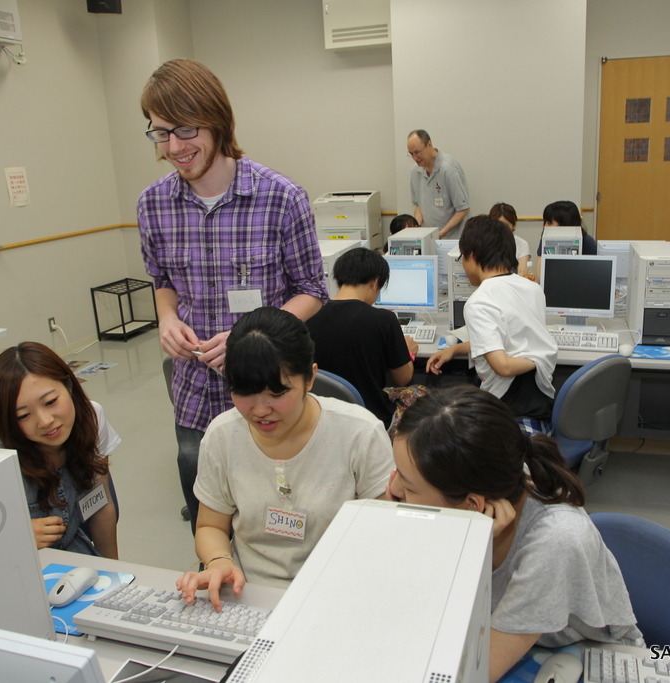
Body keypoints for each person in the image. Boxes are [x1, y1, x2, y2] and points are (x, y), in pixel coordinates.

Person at [137, 59, 328, 533]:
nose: (174, 148)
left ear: (218, 122)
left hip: (268, 391)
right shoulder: (153, 204)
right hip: (194, 394)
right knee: (208, 520)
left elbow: (312, 291)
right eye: (160, 133)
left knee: (279, 518)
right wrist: (166, 318)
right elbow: (162, 280)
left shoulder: (281, 197)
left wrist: (250, 337)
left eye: (185, 130)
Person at [388, 385, 643, 682]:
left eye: (407, 485)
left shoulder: (554, 542)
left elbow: (474, 674)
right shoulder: (493, 478)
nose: (392, 490)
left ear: (473, 504)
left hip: (596, 661)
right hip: (524, 641)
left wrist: (471, 553)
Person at [177, 307, 393, 608]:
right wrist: (219, 561)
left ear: (310, 378)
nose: (260, 410)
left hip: (337, 593)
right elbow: (210, 526)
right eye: (244, 391)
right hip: (247, 593)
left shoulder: (360, 433)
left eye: (277, 394)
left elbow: (384, 533)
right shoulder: (223, 435)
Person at [0, 342, 120, 558]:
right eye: (23, 416)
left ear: (69, 386)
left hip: (75, 551)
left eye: (50, 402)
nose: (45, 421)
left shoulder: (92, 417)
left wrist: (118, 575)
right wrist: (17, 535)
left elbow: (100, 506)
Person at [426, 216, 557, 431]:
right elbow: (511, 340)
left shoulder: (479, 301)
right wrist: (456, 349)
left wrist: (541, 355)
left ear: (473, 256)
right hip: (540, 400)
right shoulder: (532, 289)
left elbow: (503, 366)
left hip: (506, 407)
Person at [306, 248, 418, 425]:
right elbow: (402, 378)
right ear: (375, 282)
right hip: (371, 417)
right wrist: (408, 352)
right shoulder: (383, 320)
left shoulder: (309, 315)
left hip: (323, 416)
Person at [407, 129, 470, 238]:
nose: (415, 158)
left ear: (429, 144)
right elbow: (418, 205)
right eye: (411, 154)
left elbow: (463, 209)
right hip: (431, 238)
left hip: (454, 239)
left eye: (417, 152)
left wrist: (441, 233)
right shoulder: (415, 171)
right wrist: (415, 227)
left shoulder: (448, 169)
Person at [489, 202, 531, 274]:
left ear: (514, 225)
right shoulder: (484, 243)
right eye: (497, 224)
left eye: (505, 225)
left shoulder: (521, 244)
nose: (501, 229)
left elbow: (522, 274)